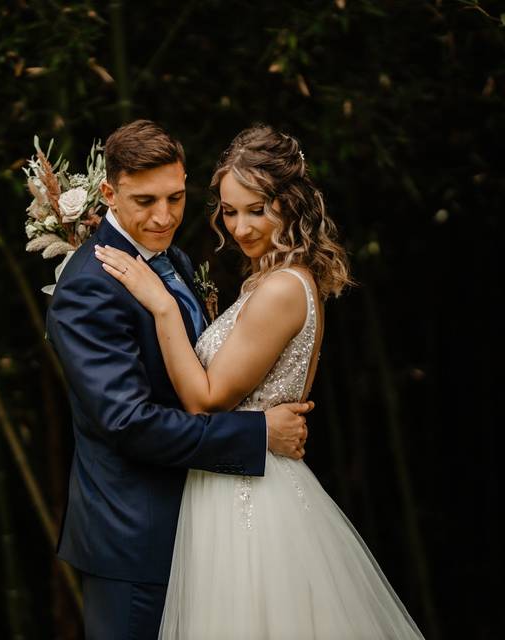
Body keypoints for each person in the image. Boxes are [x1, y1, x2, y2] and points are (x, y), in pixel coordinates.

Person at [94, 124, 425, 639]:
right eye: (229, 210)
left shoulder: (280, 290)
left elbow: (206, 399)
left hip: (248, 499)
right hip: (233, 481)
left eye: (257, 208)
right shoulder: (270, 279)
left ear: (290, 205)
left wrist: (161, 305)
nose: (242, 228)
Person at [45, 120, 314, 639]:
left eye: (176, 197)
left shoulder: (175, 261)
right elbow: (129, 423)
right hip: (136, 534)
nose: (163, 217)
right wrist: (260, 434)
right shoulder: (87, 290)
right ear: (108, 193)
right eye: (144, 201)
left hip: (205, 523)